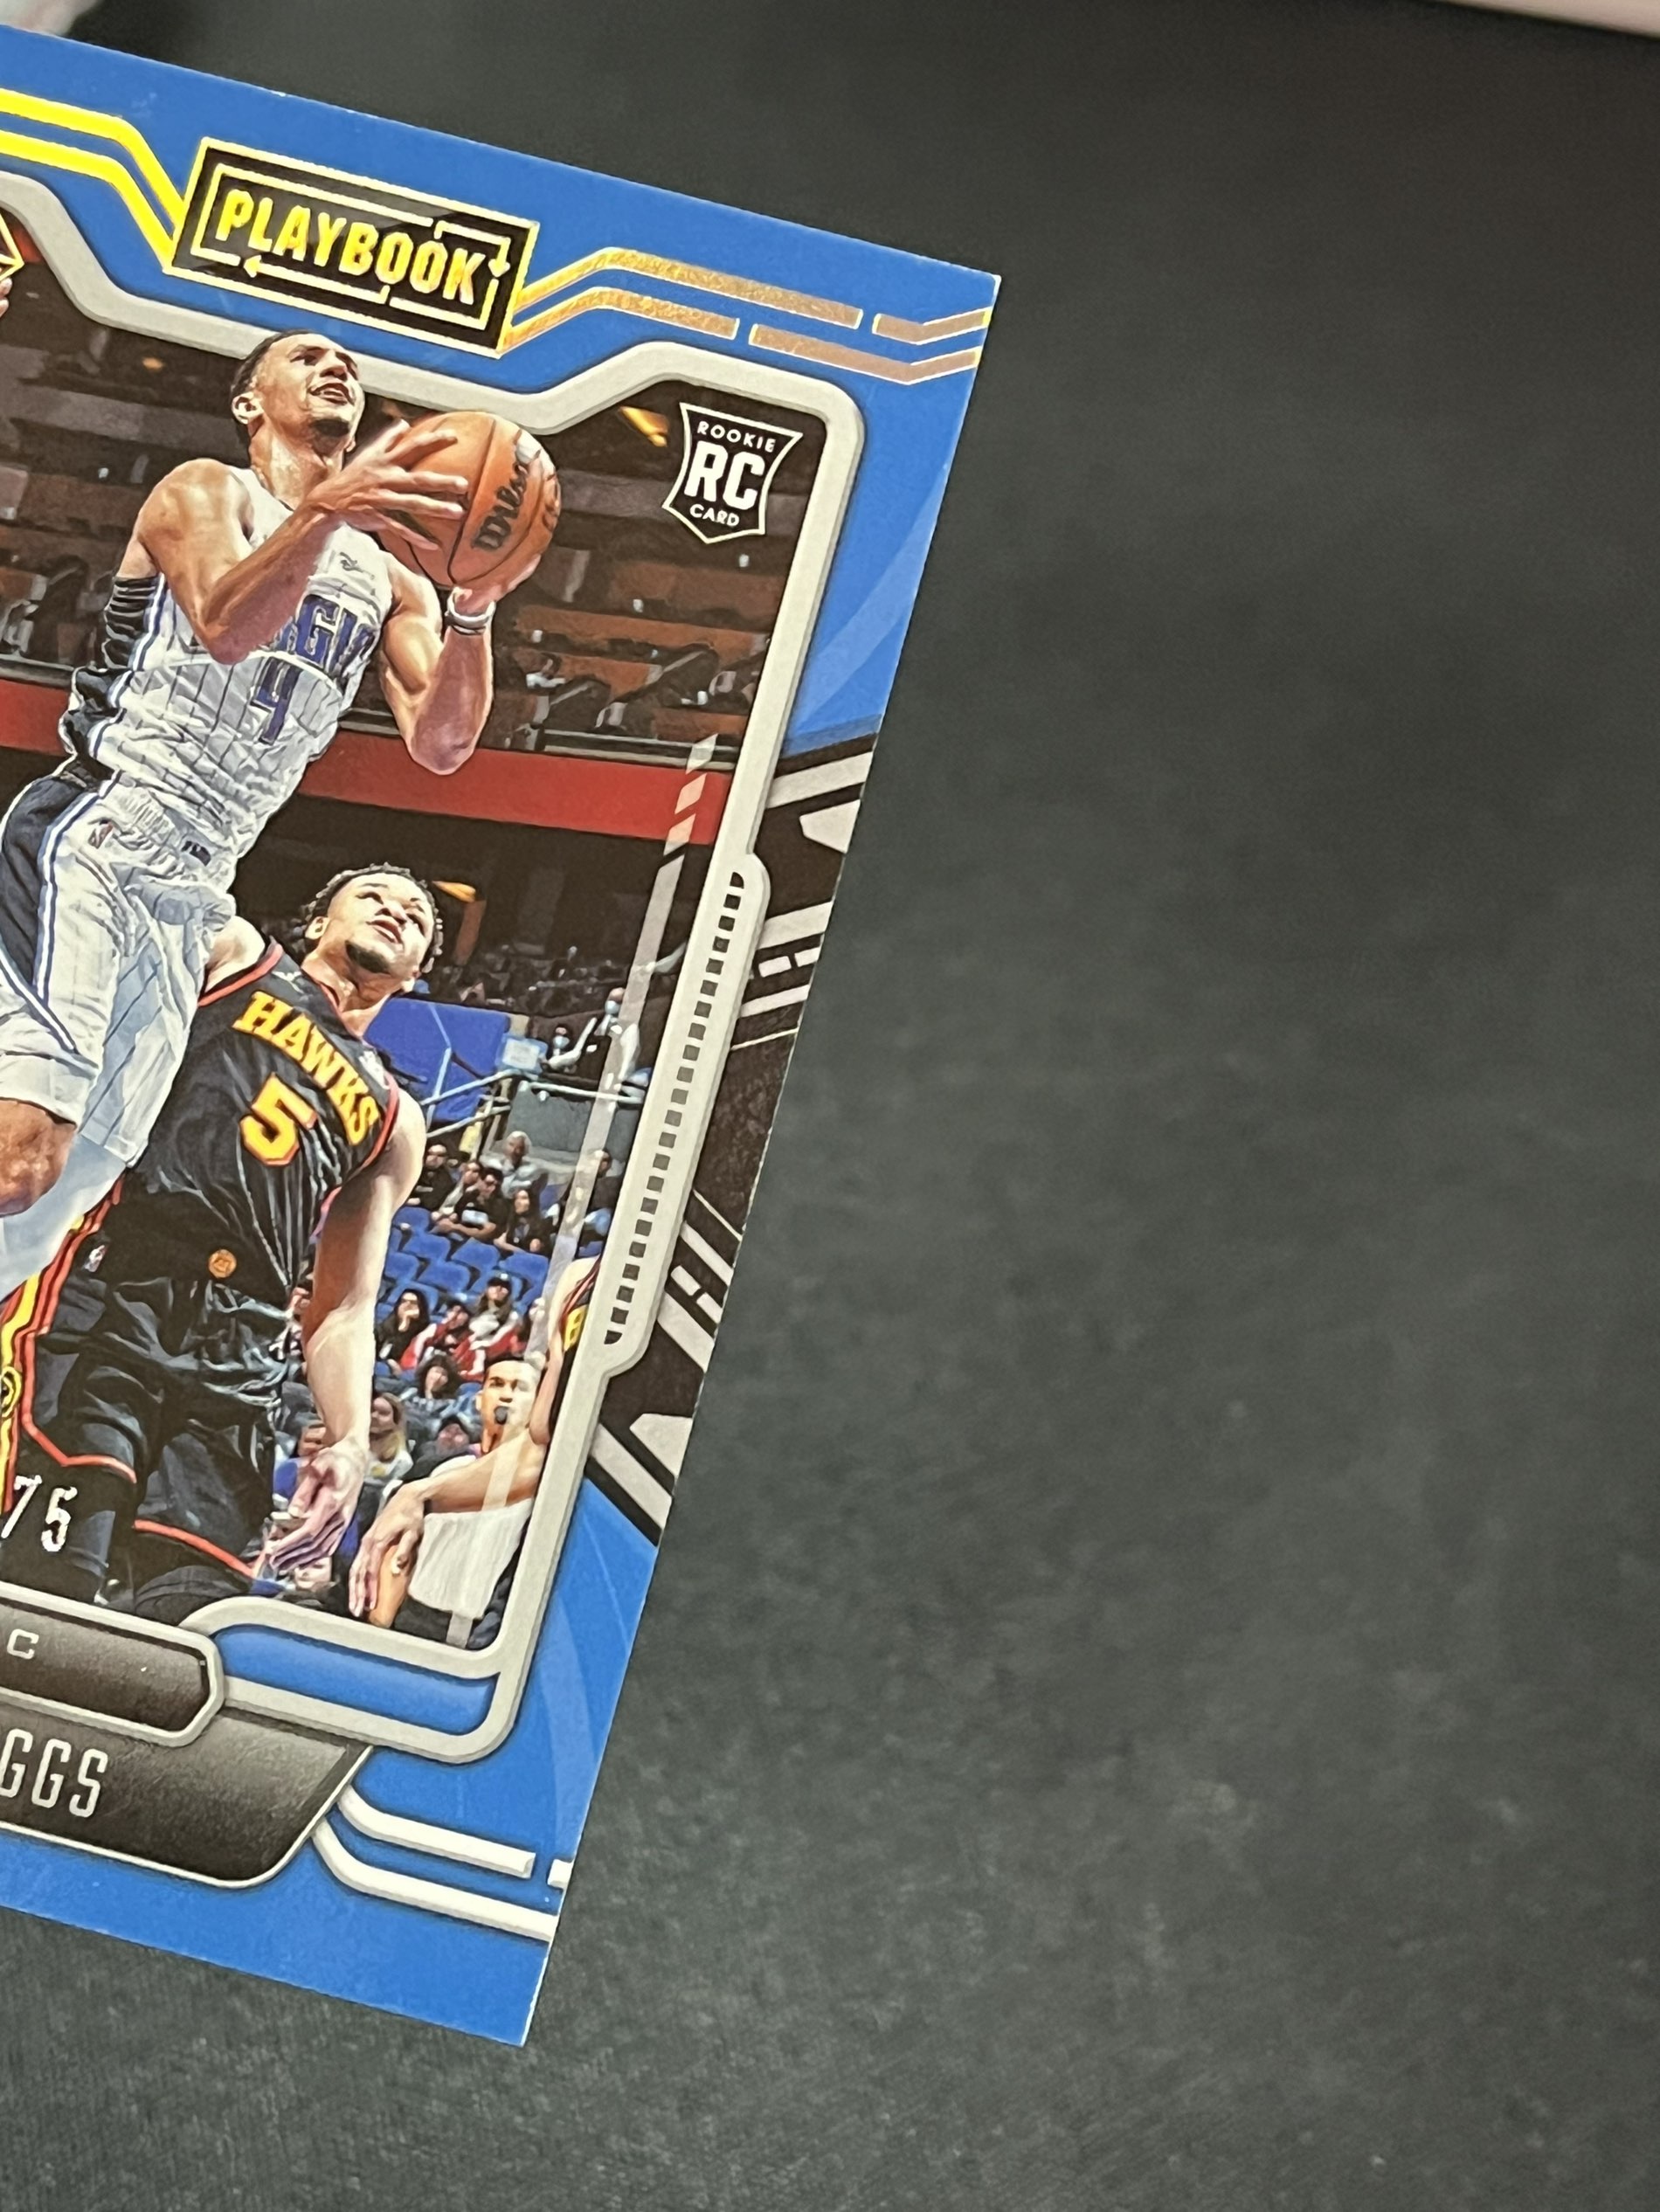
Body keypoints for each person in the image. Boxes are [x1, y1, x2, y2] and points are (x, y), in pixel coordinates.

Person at [0, 328, 541, 1297]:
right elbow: (225, 624)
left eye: (350, 366)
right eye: (307, 357)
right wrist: (327, 510)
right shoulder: (206, 492)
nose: (339, 368)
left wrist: (476, 606)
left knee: (54, 1206)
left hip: (195, 895)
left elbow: (444, 743)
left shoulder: (393, 582)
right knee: (20, 1160)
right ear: (249, 403)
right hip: (101, 834)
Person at [0, 865, 437, 1621]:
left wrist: (348, 1439)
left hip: (241, 1352)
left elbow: (343, 1307)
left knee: (191, 1614)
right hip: (117, 1291)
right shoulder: (237, 953)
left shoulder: (397, 1119)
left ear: (418, 972)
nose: (396, 911)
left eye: (418, 917)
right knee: (46, 1584)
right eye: (373, 896)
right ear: (316, 923)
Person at [352, 1259, 598, 1643]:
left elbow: (544, 1444)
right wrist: (377, 1630)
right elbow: (399, 1554)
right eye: (497, 1385)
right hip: (420, 1615)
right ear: (479, 1398)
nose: (507, 1396)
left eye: (520, 1388)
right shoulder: (439, 1467)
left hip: (496, 1612)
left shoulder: (545, 1485)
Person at [438, 1162, 512, 1242]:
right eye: (489, 1184)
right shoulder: (469, 1196)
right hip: (458, 1236)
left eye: (497, 1186)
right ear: (479, 1181)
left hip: (480, 1243)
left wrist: (457, 1228)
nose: (493, 1189)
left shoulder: (501, 1206)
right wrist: (449, 1220)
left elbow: (484, 1234)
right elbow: (456, 1215)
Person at [463, 1275, 525, 1368]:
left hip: (492, 1356)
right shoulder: (475, 1307)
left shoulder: (513, 1315)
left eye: (504, 1287)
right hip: (466, 1346)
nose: (498, 1289)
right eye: (494, 1284)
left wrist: (482, 1343)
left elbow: (498, 1338)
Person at [374, 1286, 430, 1374]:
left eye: (413, 1303)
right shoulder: (387, 1324)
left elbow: (398, 1354)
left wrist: (405, 1321)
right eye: (403, 1301)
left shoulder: (425, 1331)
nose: (407, 1305)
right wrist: (388, 1361)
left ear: (420, 1308)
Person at [498, 1184, 548, 1255]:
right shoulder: (509, 1222)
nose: (518, 1202)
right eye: (516, 1198)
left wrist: (505, 1246)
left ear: (531, 1202)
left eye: (524, 1198)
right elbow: (498, 1242)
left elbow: (537, 1250)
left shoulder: (540, 1226)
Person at [409, 1139, 455, 1213]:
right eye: (431, 1154)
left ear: (445, 1159)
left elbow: (432, 1203)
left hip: (423, 1211)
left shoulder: (446, 1179)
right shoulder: (411, 1170)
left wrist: (418, 1200)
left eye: (440, 1155)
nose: (434, 1158)